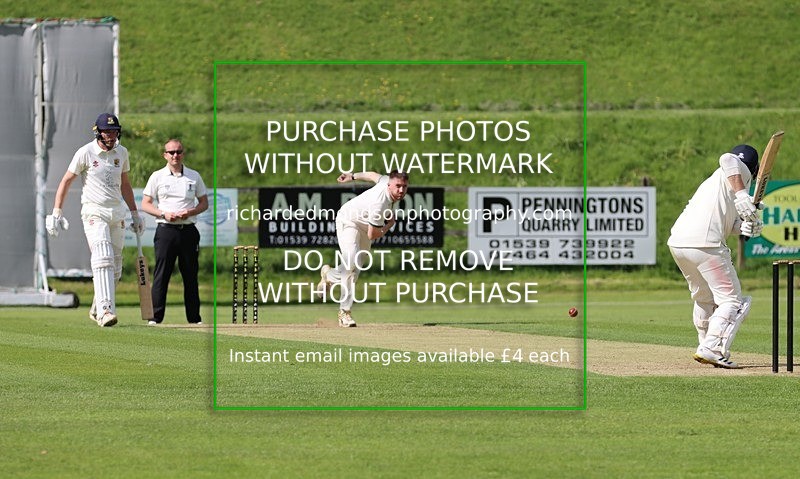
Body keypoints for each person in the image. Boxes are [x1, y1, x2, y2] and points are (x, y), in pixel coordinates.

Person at [667, 144, 763, 369]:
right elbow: (727, 159)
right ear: (755, 169)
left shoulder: (720, 184)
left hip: (679, 243)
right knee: (732, 301)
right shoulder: (737, 173)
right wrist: (742, 195)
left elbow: (727, 224)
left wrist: (745, 227)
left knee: (704, 298)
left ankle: (704, 344)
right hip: (706, 245)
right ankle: (711, 347)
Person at [47, 113, 145, 327]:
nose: (111, 135)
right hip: (94, 212)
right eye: (107, 131)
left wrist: (135, 213)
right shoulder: (86, 152)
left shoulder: (122, 152)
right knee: (103, 257)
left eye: (114, 131)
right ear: (98, 132)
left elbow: (125, 184)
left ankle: (95, 307)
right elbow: (66, 181)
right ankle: (106, 311)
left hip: (116, 213)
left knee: (116, 269)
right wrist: (57, 211)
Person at [317, 170, 409, 327]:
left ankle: (329, 275)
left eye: (404, 187)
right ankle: (344, 313)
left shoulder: (386, 180)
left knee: (354, 268)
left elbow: (372, 175)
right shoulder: (379, 203)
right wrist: (389, 225)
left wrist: (352, 176)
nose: (400, 190)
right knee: (351, 263)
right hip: (349, 220)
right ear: (389, 185)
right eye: (397, 186)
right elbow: (373, 234)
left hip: (364, 225)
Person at [140, 139, 208, 325]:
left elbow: (204, 203)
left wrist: (190, 212)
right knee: (162, 274)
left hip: (188, 230)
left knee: (190, 275)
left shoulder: (193, 176)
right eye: (171, 152)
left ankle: (194, 318)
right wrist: (164, 213)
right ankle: (155, 317)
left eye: (178, 152)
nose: (175, 155)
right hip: (166, 231)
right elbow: (145, 204)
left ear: (183, 153)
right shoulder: (157, 176)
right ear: (165, 155)